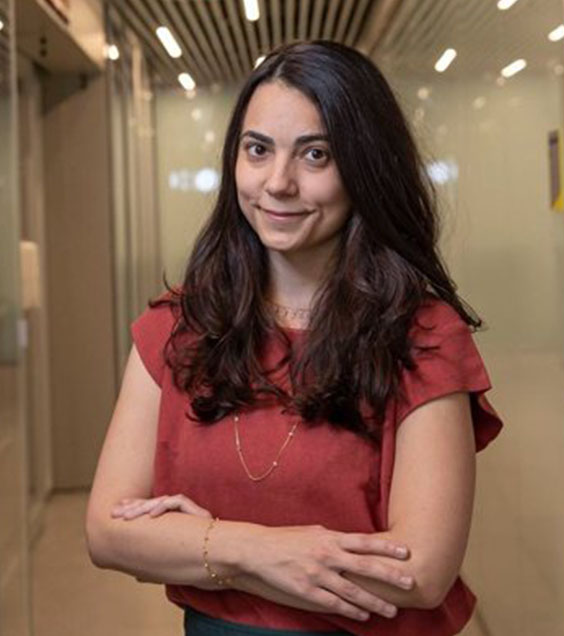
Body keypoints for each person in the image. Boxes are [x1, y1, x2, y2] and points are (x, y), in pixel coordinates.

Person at [86, 40, 503, 636]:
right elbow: (106, 532)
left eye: (315, 155)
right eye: (258, 150)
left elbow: (422, 573)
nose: (277, 183)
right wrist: (255, 550)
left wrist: (197, 546)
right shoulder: (177, 328)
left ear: (364, 168)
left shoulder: (423, 337)